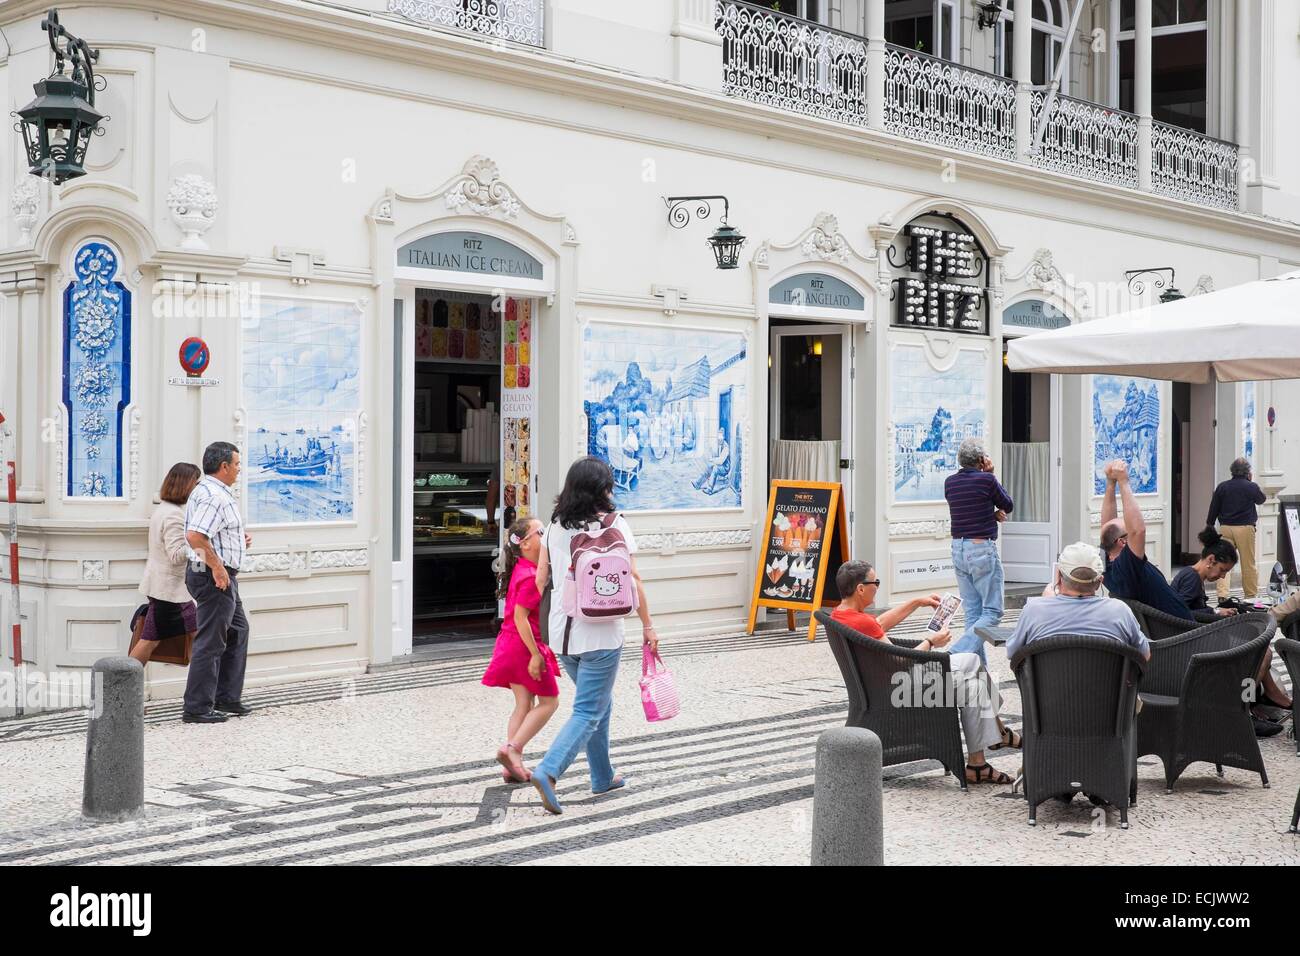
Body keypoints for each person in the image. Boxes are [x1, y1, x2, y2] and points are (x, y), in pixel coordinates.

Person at [532, 456, 660, 814]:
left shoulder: (555, 526)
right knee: (589, 709)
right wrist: (648, 625)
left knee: (598, 702)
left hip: (563, 634)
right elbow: (633, 580)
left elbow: (541, 581)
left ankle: (602, 777)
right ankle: (549, 770)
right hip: (602, 635)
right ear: (602, 489)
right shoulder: (616, 524)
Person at [831, 560, 1019, 785]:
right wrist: (931, 641)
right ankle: (996, 736)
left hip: (880, 685)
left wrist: (916, 602)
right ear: (861, 588)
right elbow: (900, 661)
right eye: (876, 582)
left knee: (974, 685)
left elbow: (878, 624)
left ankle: (979, 763)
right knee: (972, 664)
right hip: (899, 690)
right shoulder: (861, 621)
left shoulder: (842, 615)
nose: (878, 586)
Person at [481, 516, 560, 783]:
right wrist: (536, 655)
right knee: (550, 702)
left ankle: (512, 765)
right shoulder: (529, 576)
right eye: (540, 532)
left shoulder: (523, 569)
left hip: (509, 645)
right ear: (525, 544)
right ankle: (512, 750)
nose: (545, 534)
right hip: (525, 647)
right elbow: (520, 617)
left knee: (523, 704)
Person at [182, 441, 253, 724]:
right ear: (223, 466)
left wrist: (237, 540)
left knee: (238, 630)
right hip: (213, 577)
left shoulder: (208, 491)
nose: (239, 470)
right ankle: (197, 707)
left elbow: (209, 533)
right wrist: (218, 568)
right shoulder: (215, 496)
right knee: (211, 641)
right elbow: (195, 536)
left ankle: (226, 696)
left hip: (218, 575)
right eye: (236, 464)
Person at [1007, 542, 1150, 662]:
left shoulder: (1034, 609)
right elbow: (1145, 654)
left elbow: (1012, 653)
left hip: (1047, 695)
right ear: (1100, 582)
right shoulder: (1120, 611)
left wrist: (1045, 603)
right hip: (1109, 695)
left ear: (1059, 577)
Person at [943, 437, 1014, 662]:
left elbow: (967, 510)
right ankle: (956, 653)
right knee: (993, 612)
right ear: (982, 460)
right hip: (981, 548)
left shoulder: (949, 482)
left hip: (958, 547)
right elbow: (1008, 504)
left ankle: (977, 668)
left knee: (973, 612)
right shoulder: (986, 480)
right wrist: (991, 474)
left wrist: (989, 515)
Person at [1098, 460, 1193, 621]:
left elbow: (1108, 527)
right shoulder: (1127, 567)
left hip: (1172, 628)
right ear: (1122, 542)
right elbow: (1138, 530)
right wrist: (1124, 482)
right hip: (1185, 633)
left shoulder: (1105, 564)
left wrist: (1110, 484)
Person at [133, 463, 202, 665]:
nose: (198, 488)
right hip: (170, 593)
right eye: (195, 483)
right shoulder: (174, 515)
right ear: (185, 485)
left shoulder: (164, 509)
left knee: (198, 635)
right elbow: (176, 554)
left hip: (167, 590)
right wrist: (201, 545)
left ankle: (205, 686)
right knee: (149, 641)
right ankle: (122, 687)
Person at [1207, 457, 1266, 599]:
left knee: (1222, 560)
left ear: (1232, 471)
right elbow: (1261, 499)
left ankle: (1222, 594)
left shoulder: (1222, 486)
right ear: (1247, 472)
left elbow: (1213, 508)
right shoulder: (1250, 487)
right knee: (1248, 563)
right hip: (1245, 528)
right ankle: (1250, 595)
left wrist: (1210, 524)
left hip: (1226, 528)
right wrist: (1250, 482)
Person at [1170, 528, 1240, 619]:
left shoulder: (1193, 574)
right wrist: (1216, 612)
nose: (1223, 576)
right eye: (1222, 570)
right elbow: (1180, 613)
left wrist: (1219, 610)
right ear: (1211, 560)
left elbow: (1193, 609)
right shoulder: (1192, 578)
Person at [693, 427, 731, 495]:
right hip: (720, 465)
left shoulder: (726, 447)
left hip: (725, 468)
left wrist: (712, 460)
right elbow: (714, 455)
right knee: (709, 467)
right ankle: (698, 484)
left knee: (715, 468)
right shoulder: (718, 445)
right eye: (718, 437)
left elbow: (721, 461)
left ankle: (710, 489)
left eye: (721, 437)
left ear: (723, 437)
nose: (719, 439)